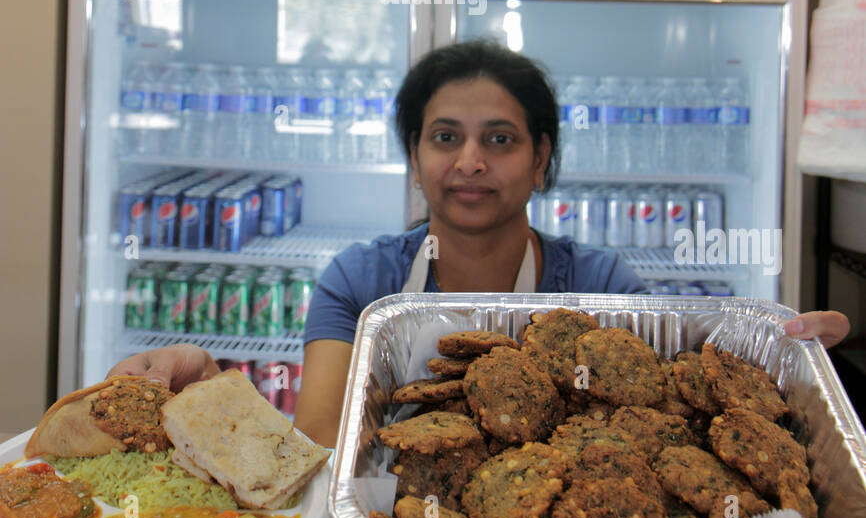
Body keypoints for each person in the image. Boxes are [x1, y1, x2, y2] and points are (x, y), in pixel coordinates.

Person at [109, 41, 851, 446]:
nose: (469, 161)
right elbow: (318, 446)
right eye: (444, 138)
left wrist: (793, 366)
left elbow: (674, 416)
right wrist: (206, 383)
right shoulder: (361, 281)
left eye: (499, 139)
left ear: (540, 159)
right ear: (415, 156)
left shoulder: (599, 281)